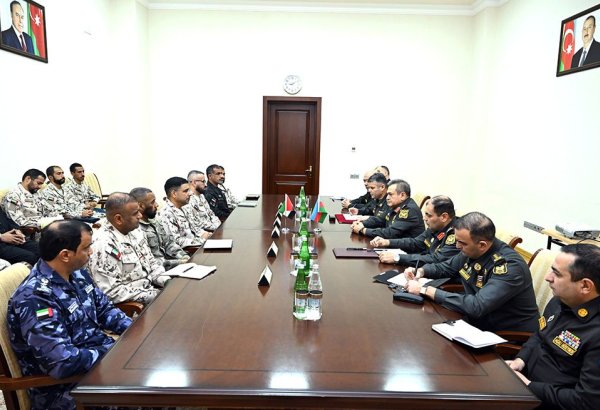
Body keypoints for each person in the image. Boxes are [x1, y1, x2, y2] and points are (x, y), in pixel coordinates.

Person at [7, 220, 132, 410]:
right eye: (86, 248)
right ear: (65, 255)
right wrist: (116, 352)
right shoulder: (35, 297)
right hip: (66, 391)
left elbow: (105, 310)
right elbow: (62, 362)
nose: (91, 252)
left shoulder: (77, 274)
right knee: (154, 393)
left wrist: (136, 333)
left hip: (97, 366)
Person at [404, 212, 539, 332]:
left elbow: (477, 306)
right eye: (457, 241)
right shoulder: (472, 248)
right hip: (477, 321)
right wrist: (421, 271)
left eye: (461, 243)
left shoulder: (509, 266)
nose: (457, 246)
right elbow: (446, 267)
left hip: (505, 334)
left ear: (482, 245)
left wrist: (425, 290)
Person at [507, 244, 600, 409]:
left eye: (557, 273)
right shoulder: (560, 300)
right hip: (522, 383)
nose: (547, 277)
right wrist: (521, 360)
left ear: (585, 286)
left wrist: (529, 386)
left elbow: (585, 402)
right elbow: (539, 335)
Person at [88, 192, 169, 305]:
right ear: (118, 219)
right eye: (135, 213)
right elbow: (112, 292)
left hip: (153, 289)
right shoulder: (103, 245)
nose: (140, 216)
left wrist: (166, 281)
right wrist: (156, 295)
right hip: (134, 306)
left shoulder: (135, 230)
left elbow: (152, 263)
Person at [372, 195, 459, 267]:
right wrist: (386, 242)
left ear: (444, 217)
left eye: (429, 215)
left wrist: (397, 258)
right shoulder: (436, 227)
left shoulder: (456, 234)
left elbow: (436, 259)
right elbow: (415, 242)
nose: (424, 218)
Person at [130, 187, 190, 270]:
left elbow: (170, 244)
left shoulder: (157, 220)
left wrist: (184, 257)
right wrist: (180, 262)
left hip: (174, 266)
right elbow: (151, 261)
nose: (157, 205)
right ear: (140, 206)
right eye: (152, 202)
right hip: (159, 270)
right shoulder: (136, 229)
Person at [351, 179, 425, 239]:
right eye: (387, 194)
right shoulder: (396, 205)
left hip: (407, 250)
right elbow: (381, 220)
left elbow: (390, 233)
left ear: (402, 195)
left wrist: (363, 230)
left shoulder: (409, 210)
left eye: (390, 194)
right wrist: (361, 224)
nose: (387, 198)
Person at [158, 177, 211, 249]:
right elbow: (176, 242)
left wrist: (207, 234)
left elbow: (195, 228)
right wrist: (202, 240)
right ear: (174, 194)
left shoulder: (185, 208)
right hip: (188, 251)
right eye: (186, 191)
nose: (190, 193)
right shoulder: (166, 213)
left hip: (198, 245)